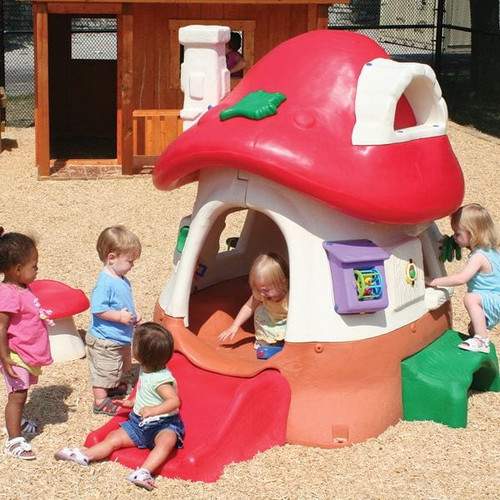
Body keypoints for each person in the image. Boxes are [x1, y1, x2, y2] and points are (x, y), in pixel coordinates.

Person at [55, 322, 184, 491]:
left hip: (162, 424)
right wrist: (131, 403)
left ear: (139, 354)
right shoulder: (146, 369)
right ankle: (84, 455)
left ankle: (144, 471)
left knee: (167, 441)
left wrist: (154, 410)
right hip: (138, 423)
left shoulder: (161, 380)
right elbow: (144, 391)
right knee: (113, 437)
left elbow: (174, 401)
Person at [0, 227, 53, 460]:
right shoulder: (9, 294)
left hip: (25, 352)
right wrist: (5, 357)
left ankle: (17, 421)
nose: (37, 269)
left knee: (22, 392)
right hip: (15, 355)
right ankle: (14, 440)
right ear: (18, 269)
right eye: (34, 265)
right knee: (18, 394)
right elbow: (0, 327)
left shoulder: (21, 286)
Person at [425, 203, 500, 353]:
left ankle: (482, 341)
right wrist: (449, 243)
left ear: (472, 234)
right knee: (472, 329)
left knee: (470, 299)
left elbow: (461, 278)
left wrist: (433, 281)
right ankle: (478, 336)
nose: (454, 237)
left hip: (492, 298)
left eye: (457, 234)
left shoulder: (479, 256)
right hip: (493, 297)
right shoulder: (491, 250)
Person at [86, 225, 142, 416]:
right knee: (104, 370)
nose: (132, 265)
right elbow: (98, 309)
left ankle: (112, 386)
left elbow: (123, 302)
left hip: (118, 336)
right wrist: (119, 317)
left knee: (118, 365)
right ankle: (101, 400)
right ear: (112, 258)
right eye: (130, 261)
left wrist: (134, 315)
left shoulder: (121, 279)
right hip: (105, 340)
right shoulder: (105, 283)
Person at [219, 252, 289, 348]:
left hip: (287, 324)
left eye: (265, 290)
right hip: (268, 324)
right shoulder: (261, 294)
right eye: (258, 289)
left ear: (283, 283)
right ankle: (266, 340)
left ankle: (286, 341)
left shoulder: (292, 296)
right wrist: (235, 325)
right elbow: (248, 307)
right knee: (260, 310)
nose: (261, 294)